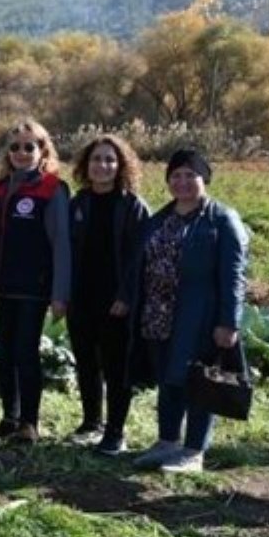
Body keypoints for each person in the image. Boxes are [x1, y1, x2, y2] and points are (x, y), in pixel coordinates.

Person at [131, 149, 249, 474]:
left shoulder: (221, 220)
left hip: (200, 315)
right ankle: (167, 441)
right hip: (159, 314)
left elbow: (234, 275)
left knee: (199, 381)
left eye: (190, 175)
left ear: (204, 178)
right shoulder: (160, 218)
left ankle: (194, 450)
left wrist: (229, 321)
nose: (182, 182)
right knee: (169, 379)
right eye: (176, 176)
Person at [0, 118, 71, 444]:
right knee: (5, 353)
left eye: (29, 146)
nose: (21, 152)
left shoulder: (52, 189)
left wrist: (60, 293)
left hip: (34, 287)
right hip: (2, 284)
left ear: (42, 150)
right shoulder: (0, 188)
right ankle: (9, 417)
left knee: (25, 352)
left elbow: (61, 244)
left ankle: (29, 423)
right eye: (15, 147)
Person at [66, 134, 150, 455]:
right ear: (86, 166)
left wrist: (126, 297)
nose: (103, 166)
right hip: (81, 297)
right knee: (86, 363)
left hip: (116, 302)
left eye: (110, 160)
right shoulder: (78, 203)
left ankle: (115, 431)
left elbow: (139, 258)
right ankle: (91, 423)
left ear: (121, 166)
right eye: (97, 159)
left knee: (116, 367)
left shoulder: (132, 206)